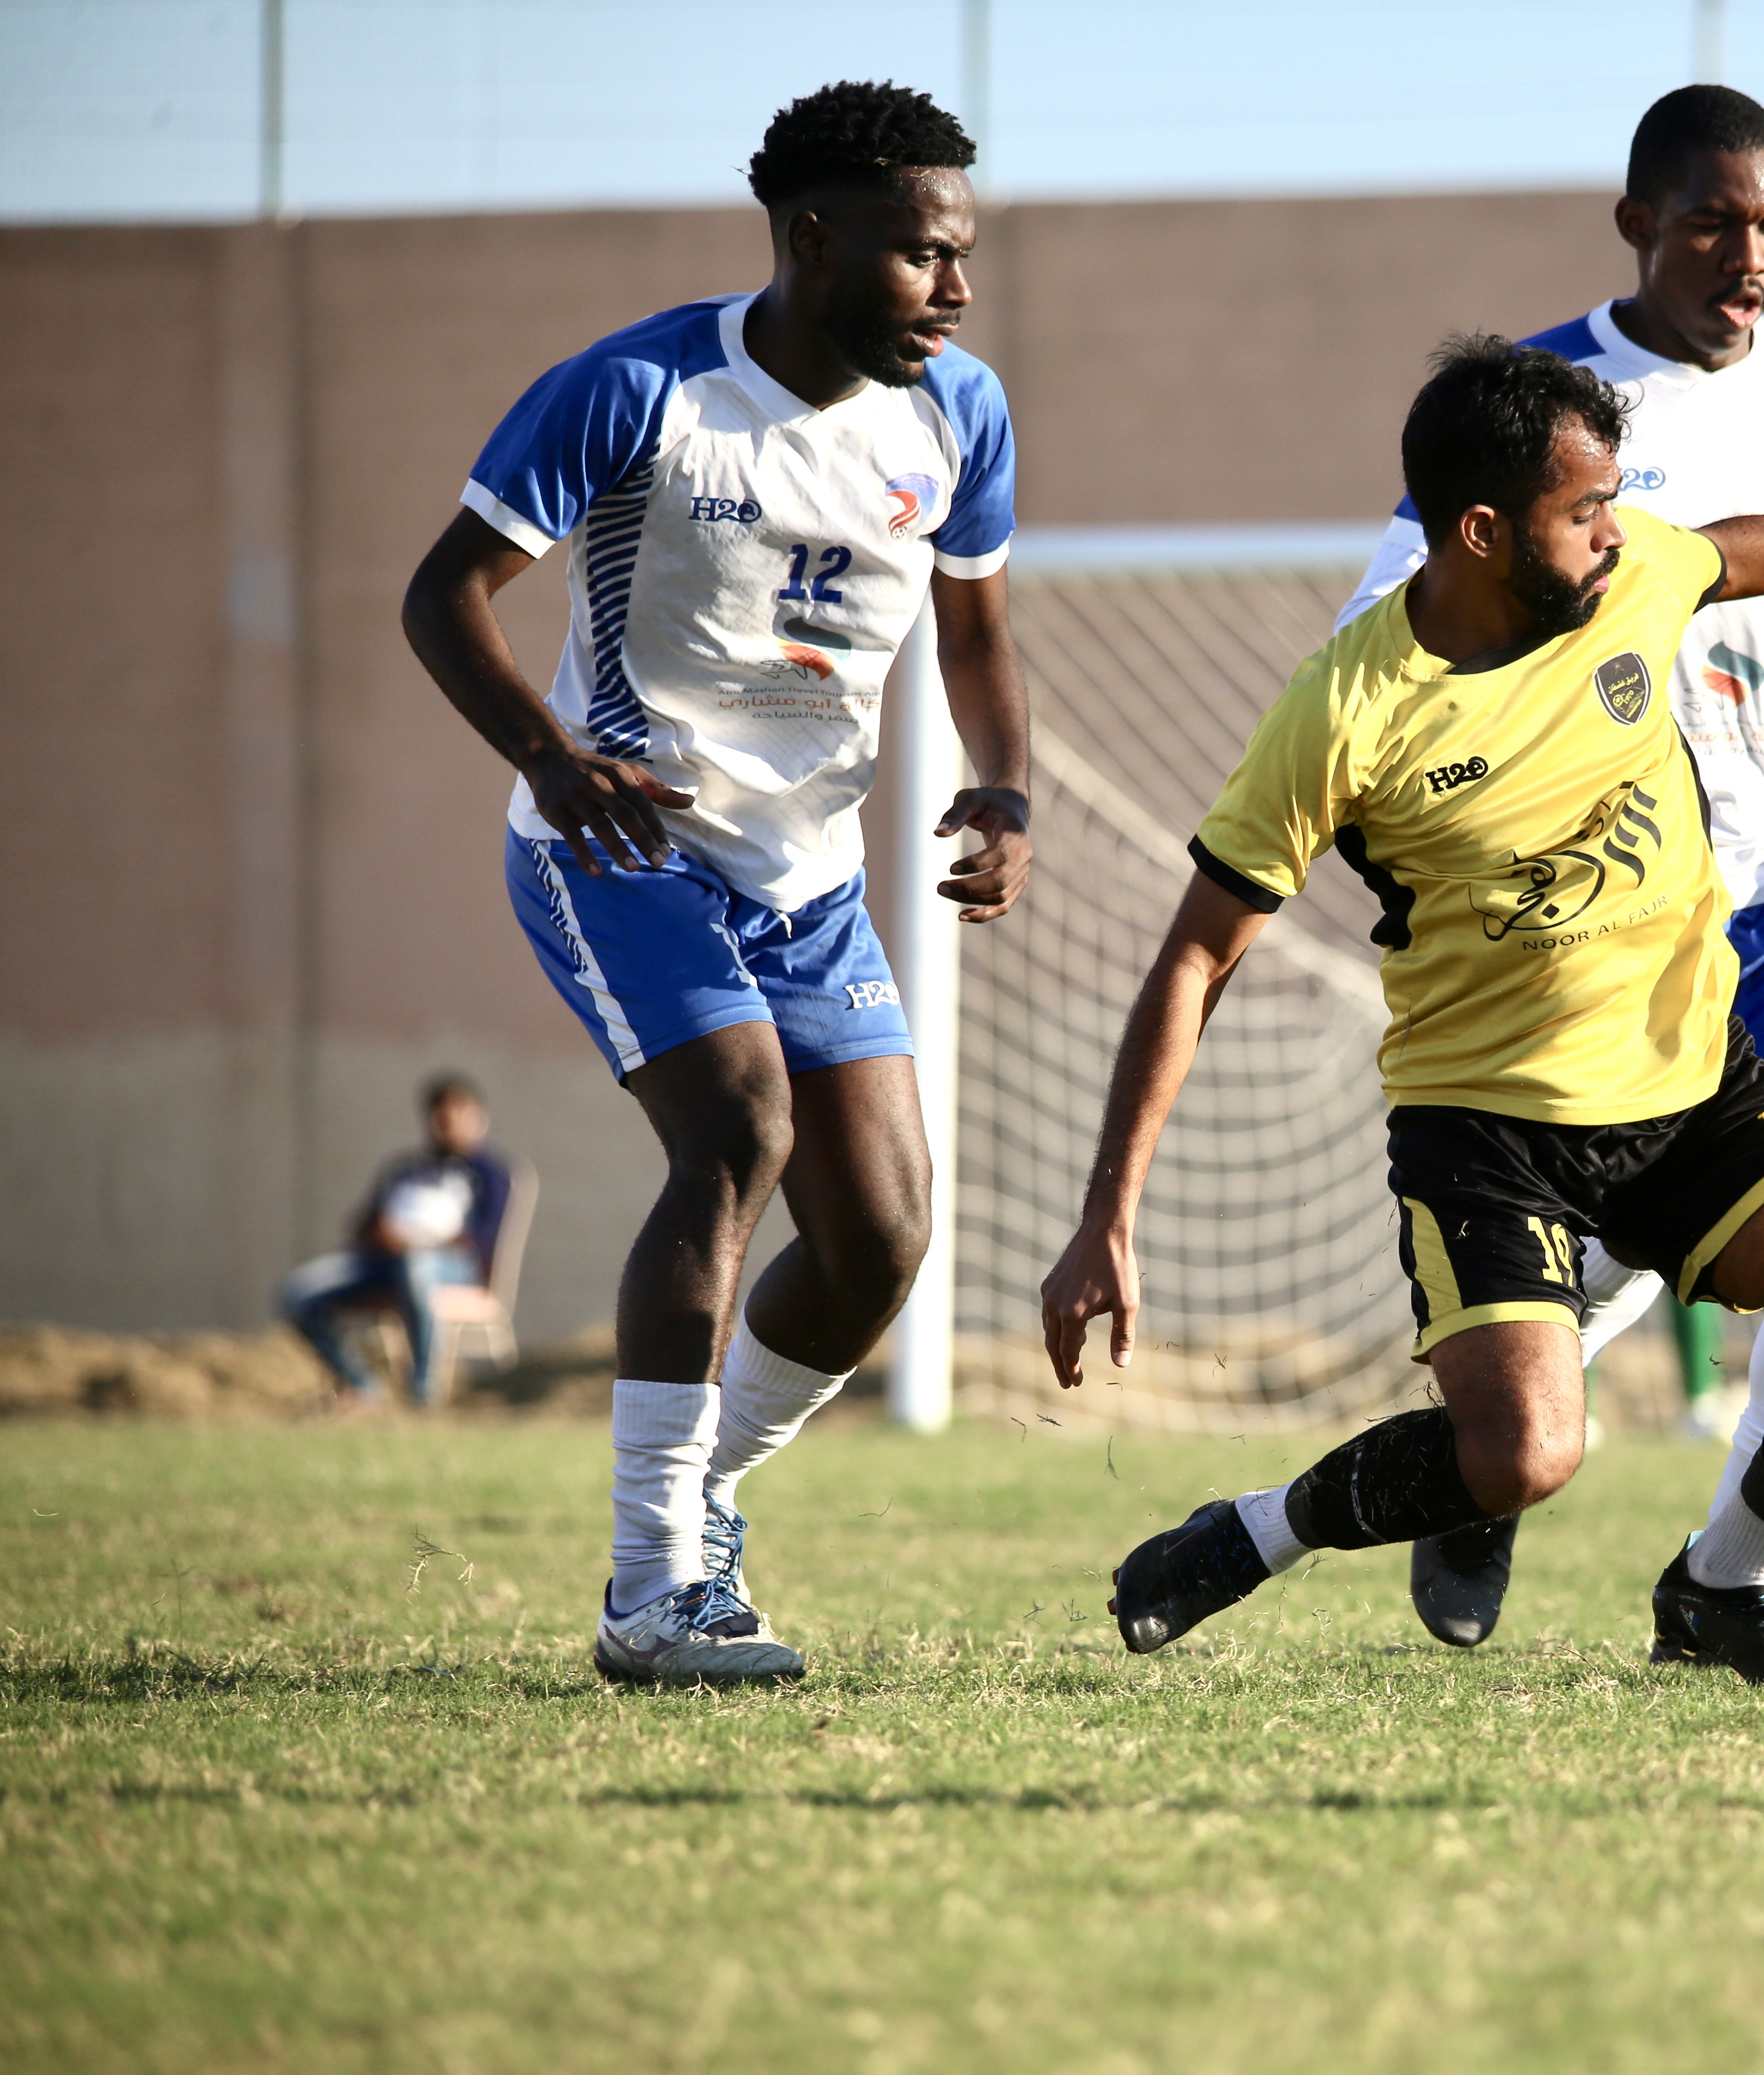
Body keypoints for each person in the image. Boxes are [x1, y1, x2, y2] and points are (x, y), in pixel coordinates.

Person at [1039, 336, 1764, 1683]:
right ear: (1483, 532)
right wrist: (1107, 1215)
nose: (1617, 531)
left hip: (1694, 1093)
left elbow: (1735, 552)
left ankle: (1721, 1586)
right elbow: (1196, 957)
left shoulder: (1629, 573)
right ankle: (1259, 1531)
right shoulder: (1343, 710)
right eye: (1586, 509)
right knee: (1525, 1455)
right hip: (1489, 1137)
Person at [1336, 86, 1764, 1649]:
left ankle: (1726, 1574)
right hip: (1601, 913)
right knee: (1626, 1219)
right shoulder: (1545, 403)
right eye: (1712, 222)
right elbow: (1390, 611)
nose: (1746, 253)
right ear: (1637, 222)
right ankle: (1498, 1454)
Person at [399, 82, 1031, 1686]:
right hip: (624, 845)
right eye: (922, 255)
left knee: (882, 1238)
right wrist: (553, 758)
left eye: (962, 253)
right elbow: (442, 593)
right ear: (812, 240)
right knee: (740, 1130)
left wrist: (1004, 783)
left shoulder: (959, 414)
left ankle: (705, 1496)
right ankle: (650, 1584)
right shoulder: (639, 389)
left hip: (809, 876)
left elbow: (975, 630)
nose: (957, 288)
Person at [281, 1075, 514, 1407]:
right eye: (441, 1115)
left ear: (479, 1117)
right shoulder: (405, 1170)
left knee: (418, 1269)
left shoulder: (490, 1174)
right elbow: (362, 1226)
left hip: (447, 1266)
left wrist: (421, 1244)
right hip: (379, 1262)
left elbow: (482, 1239)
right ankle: (362, 1386)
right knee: (299, 1291)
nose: (449, 1122)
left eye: (459, 1113)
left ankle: (422, 1392)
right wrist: (383, 1235)